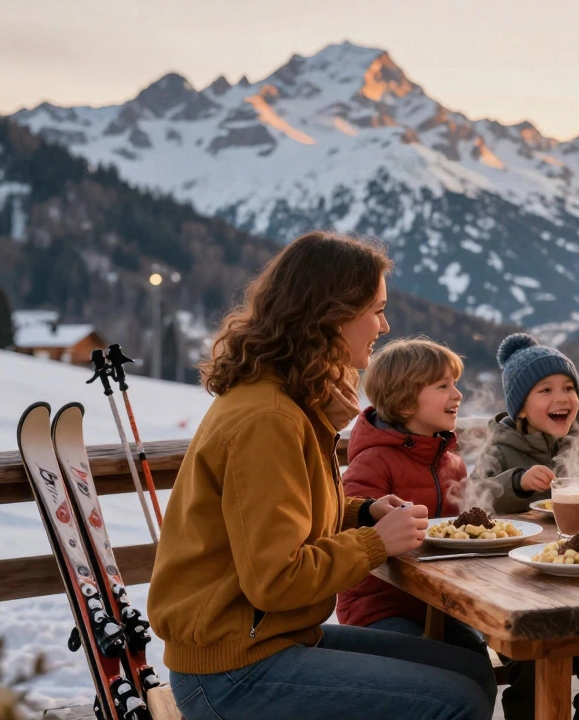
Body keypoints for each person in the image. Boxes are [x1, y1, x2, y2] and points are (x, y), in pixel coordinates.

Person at [147, 232, 497, 720]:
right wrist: (375, 542)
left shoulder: (289, 402)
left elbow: (286, 516)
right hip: (232, 672)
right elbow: (277, 579)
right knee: (454, 703)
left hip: (272, 640)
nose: (384, 323)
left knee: (471, 671)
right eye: (375, 309)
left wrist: (365, 511)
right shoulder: (267, 419)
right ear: (333, 314)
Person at [473, 332, 579, 720]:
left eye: (568, 387)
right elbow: (475, 499)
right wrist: (517, 482)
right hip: (522, 592)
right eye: (545, 390)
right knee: (532, 672)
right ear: (522, 409)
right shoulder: (500, 449)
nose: (561, 398)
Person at [336, 337, 489, 658]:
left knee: (476, 654)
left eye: (455, 384)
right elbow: (346, 529)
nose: (457, 395)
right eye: (442, 386)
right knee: (443, 664)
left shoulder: (452, 461)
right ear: (405, 403)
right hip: (380, 607)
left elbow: (471, 526)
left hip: (442, 603)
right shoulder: (373, 461)